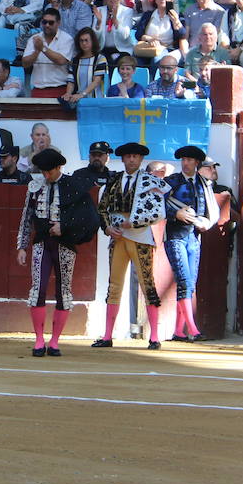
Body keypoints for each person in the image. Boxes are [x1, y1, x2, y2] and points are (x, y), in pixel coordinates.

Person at [17, 147, 95, 357]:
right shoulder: (34, 187)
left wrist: (64, 227)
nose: (45, 175)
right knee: (37, 290)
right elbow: (26, 218)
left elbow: (87, 218)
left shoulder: (74, 186)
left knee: (64, 292)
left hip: (65, 244)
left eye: (49, 171)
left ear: (59, 167)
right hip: (42, 243)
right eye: (43, 171)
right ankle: (39, 340)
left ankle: (55, 341)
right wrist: (22, 246)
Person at [92, 142, 166, 349]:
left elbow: (158, 213)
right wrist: (107, 228)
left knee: (147, 284)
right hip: (118, 238)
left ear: (141, 159)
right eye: (128, 156)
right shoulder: (113, 181)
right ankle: (107, 336)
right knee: (114, 285)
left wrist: (133, 223)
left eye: (135, 156)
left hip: (141, 237)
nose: (132, 159)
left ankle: (155, 337)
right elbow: (102, 209)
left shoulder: (150, 182)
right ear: (122, 159)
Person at [163, 144, 220, 343]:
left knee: (189, 284)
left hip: (194, 238)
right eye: (183, 160)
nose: (185, 163)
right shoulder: (171, 182)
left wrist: (205, 222)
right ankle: (193, 330)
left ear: (196, 163)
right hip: (174, 237)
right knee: (185, 282)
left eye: (189, 160)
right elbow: (156, 206)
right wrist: (175, 213)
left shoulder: (203, 184)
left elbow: (209, 211)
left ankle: (179, 331)